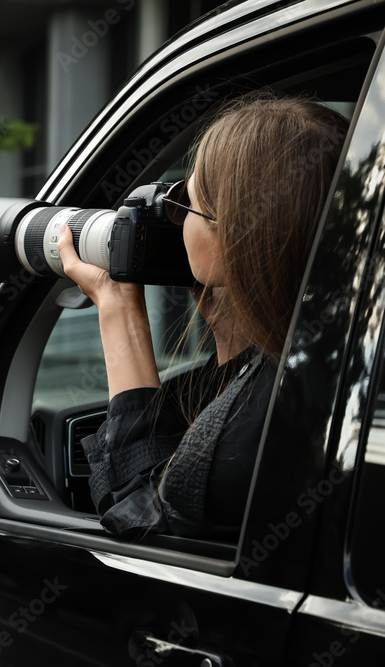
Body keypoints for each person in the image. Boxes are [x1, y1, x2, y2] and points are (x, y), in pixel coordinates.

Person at [57, 96, 349, 538]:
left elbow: (143, 516)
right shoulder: (327, 346)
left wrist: (117, 307)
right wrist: (226, 318)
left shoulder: (266, 427)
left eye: (183, 204)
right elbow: (246, 388)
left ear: (231, 231)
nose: (176, 223)